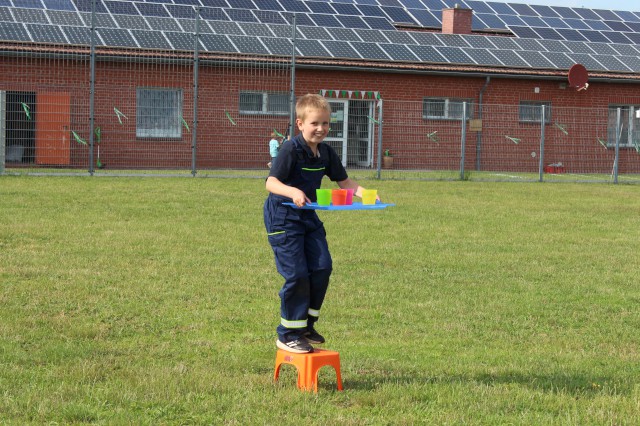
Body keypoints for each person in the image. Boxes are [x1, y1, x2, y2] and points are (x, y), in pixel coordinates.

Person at [263, 94, 379, 353]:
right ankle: (287, 333)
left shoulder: (326, 152)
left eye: (326, 123)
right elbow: (271, 183)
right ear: (300, 123)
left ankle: (306, 325)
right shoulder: (290, 150)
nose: (321, 129)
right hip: (283, 218)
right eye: (315, 123)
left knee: (322, 267)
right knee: (297, 274)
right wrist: (292, 192)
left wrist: (366, 193)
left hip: (309, 217)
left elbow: (345, 183)